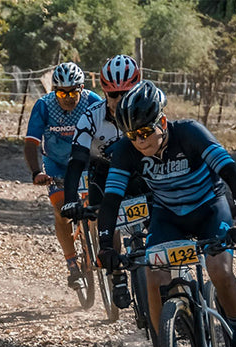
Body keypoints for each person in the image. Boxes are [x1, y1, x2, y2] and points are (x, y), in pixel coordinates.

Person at [96, 81, 236, 347]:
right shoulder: (127, 151)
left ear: (163, 122)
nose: (140, 142)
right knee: (154, 279)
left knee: (219, 271)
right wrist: (106, 246)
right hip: (168, 217)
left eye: (145, 132)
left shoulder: (190, 133)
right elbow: (111, 200)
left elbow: (232, 174)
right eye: (132, 135)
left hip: (210, 209)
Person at [60, 54, 146, 308]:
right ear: (104, 92)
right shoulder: (90, 117)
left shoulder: (148, 110)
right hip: (105, 174)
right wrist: (70, 200)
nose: (119, 101)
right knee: (103, 218)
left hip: (141, 172)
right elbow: (76, 161)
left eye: (126, 93)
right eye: (113, 95)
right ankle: (117, 274)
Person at [24, 61, 103, 289]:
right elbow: (31, 143)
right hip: (57, 164)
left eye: (73, 91)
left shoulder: (92, 102)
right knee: (61, 211)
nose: (68, 97)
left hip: (87, 161)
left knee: (98, 207)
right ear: (53, 91)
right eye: (61, 92)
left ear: (82, 88)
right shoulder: (44, 106)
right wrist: (37, 172)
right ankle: (72, 264)